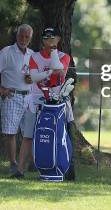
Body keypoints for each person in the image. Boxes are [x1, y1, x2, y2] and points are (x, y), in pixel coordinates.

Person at [23, 27, 74, 180]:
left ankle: (66, 169)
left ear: (58, 39)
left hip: (58, 102)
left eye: (53, 38)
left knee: (64, 135)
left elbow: (59, 70)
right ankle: (19, 169)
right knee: (29, 135)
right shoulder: (35, 57)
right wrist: (48, 73)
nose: (49, 41)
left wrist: (52, 54)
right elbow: (34, 77)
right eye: (46, 38)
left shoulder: (64, 56)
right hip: (37, 100)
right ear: (42, 40)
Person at [0, 24, 34, 178]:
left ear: (30, 38)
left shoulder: (32, 55)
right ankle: (13, 164)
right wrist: (0, 89)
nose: (23, 39)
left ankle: (26, 163)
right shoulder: (7, 51)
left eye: (27, 37)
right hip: (11, 96)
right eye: (21, 36)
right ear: (17, 35)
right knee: (10, 133)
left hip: (28, 96)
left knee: (29, 133)